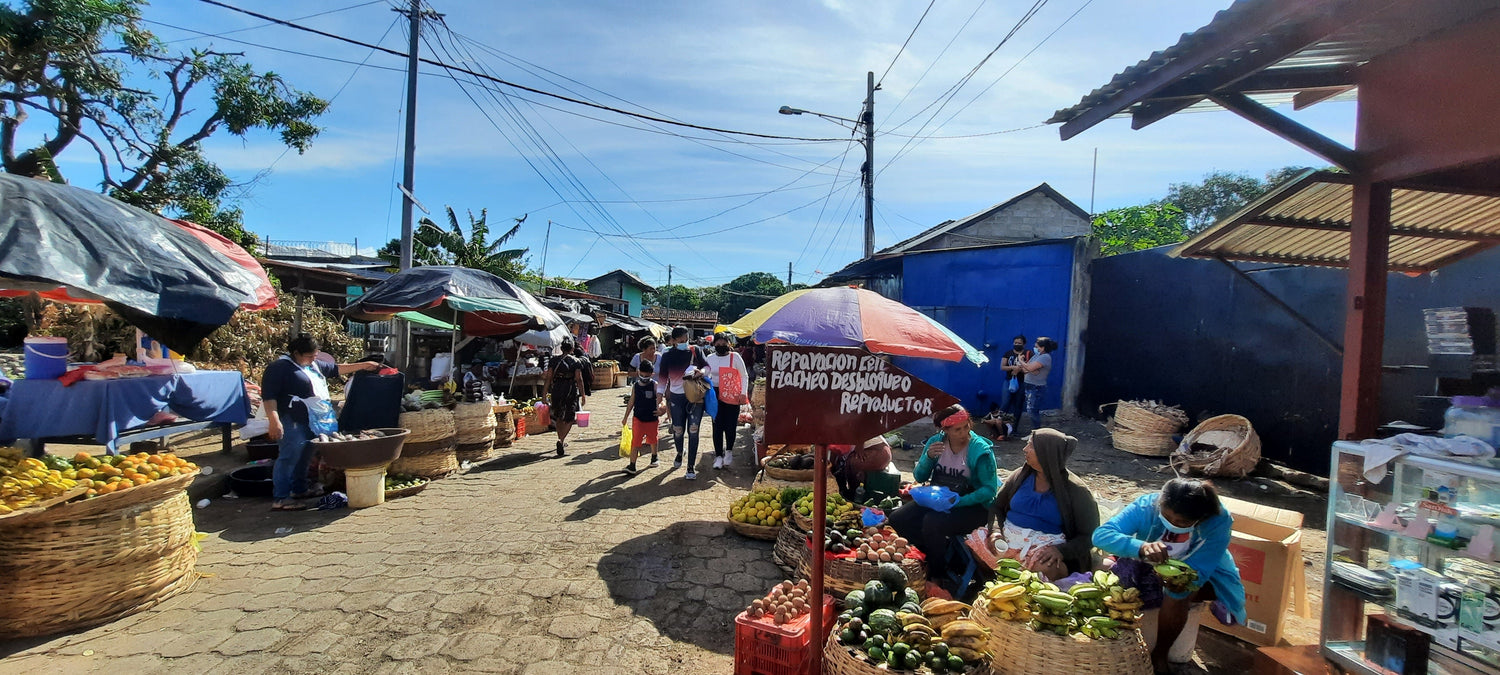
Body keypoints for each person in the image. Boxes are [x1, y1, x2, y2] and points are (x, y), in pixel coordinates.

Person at [1093, 478, 1246, 672]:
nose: (1174, 524)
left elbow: (1203, 565)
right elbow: (1101, 535)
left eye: (1183, 522)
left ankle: (1160, 653)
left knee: (1178, 595)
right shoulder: (1147, 506)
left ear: (1201, 517)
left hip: (1199, 569)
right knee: (1106, 575)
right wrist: (1141, 547)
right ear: (1161, 505)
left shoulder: (1218, 520)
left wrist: (1179, 580)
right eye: (1167, 517)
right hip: (1146, 562)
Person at [261, 335, 378, 511]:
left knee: (306, 454)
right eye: (309, 356)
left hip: (314, 420)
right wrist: (274, 420)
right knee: (289, 456)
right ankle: (281, 498)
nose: (313, 358)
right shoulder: (279, 368)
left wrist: (363, 365)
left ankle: (299, 490)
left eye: (315, 355)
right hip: (293, 419)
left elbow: (335, 369)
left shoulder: (313, 365)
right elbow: (269, 396)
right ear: (296, 353)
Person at [887, 404, 999, 586]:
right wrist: (928, 458)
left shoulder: (980, 450)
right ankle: (936, 553)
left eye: (966, 426)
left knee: (933, 523)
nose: (963, 433)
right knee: (898, 518)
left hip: (974, 506)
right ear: (944, 430)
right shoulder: (936, 443)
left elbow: (989, 490)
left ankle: (938, 574)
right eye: (957, 430)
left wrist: (958, 502)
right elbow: (919, 476)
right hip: (939, 498)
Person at [987, 428, 1100, 580]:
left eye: (1031, 446)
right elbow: (997, 507)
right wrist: (995, 531)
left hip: (1047, 549)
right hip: (1010, 538)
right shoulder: (1019, 476)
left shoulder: (1076, 491)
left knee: (1043, 568)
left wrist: (1061, 551)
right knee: (977, 545)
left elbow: (1090, 536)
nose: (1024, 449)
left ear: (1047, 454)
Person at [656, 326, 709, 479]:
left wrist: (702, 372)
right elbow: (663, 379)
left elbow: (707, 366)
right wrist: (659, 395)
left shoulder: (696, 351)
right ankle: (680, 452)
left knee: (693, 430)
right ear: (673, 341)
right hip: (676, 398)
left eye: (686, 340)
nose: (684, 343)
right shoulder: (667, 355)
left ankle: (690, 467)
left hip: (695, 397)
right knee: (678, 430)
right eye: (681, 341)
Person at [704, 332, 750, 470]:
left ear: (729, 344)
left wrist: (743, 393)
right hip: (715, 395)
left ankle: (729, 451)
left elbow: (744, 376)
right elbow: (705, 374)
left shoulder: (734, 357)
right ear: (714, 344)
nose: (721, 346)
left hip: (732, 394)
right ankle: (718, 455)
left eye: (723, 343)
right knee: (717, 425)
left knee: (730, 425)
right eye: (718, 343)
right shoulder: (710, 358)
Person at [543, 338, 589, 457]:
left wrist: (544, 395)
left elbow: (548, 378)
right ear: (572, 349)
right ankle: (561, 440)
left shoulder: (554, 360)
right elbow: (579, 379)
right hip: (570, 389)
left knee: (558, 415)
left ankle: (560, 438)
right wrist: (583, 394)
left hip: (557, 389)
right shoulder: (575, 361)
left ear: (561, 348)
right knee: (569, 417)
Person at [620, 360, 660, 475]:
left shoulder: (654, 385)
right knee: (635, 442)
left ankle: (654, 457)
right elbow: (631, 402)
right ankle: (632, 465)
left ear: (652, 374)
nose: (644, 377)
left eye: (647, 376)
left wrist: (661, 409)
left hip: (652, 419)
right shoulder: (636, 386)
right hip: (638, 419)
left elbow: (659, 400)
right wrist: (625, 417)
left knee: (653, 439)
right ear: (638, 372)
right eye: (642, 375)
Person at [1013, 337, 1056, 432]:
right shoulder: (1037, 356)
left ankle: (1036, 433)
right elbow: (1026, 369)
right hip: (1028, 385)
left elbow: (1028, 367)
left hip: (1036, 387)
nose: (1035, 348)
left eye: (1037, 346)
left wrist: (1021, 360)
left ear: (1043, 347)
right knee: (1028, 409)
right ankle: (1033, 432)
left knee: (1032, 411)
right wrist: (1029, 367)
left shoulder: (1045, 357)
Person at [834, 435, 894, 502]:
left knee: (853, 462)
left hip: (880, 453)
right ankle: (853, 494)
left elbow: (862, 426)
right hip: (880, 452)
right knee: (847, 465)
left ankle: (856, 497)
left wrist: (860, 443)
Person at [997, 335, 1032, 429]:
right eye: (1015, 343)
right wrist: (1013, 367)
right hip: (1009, 380)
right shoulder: (1008, 353)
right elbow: (1002, 367)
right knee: (1005, 403)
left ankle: (1014, 428)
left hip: (1022, 382)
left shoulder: (1028, 354)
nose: (1017, 345)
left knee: (1018, 405)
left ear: (1024, 344)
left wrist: (1020, 369)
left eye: (1019, 343)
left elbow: (1031, 367)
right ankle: (999, 425)